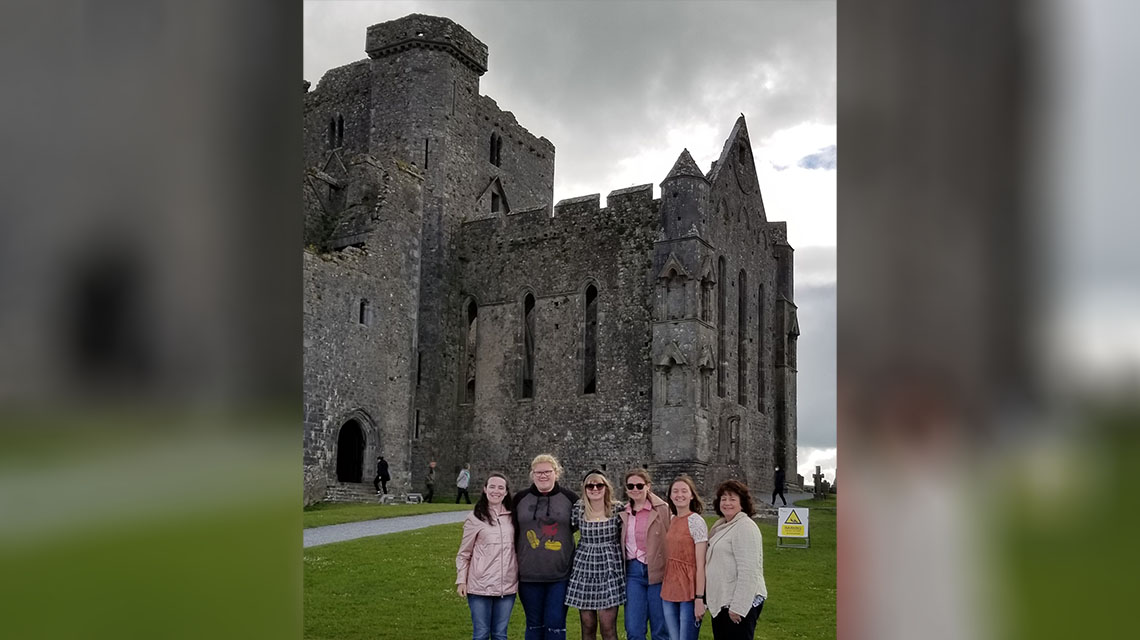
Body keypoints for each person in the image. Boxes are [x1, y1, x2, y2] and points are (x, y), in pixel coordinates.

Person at [513, 454, 578, 640]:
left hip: (560, 575)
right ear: (532, 474)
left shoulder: (570, 498)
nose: (543, 476)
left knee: (555, 624)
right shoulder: (520, 499)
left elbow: (584, 523)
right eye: (538, 472)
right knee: (534, 625)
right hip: (528, 575)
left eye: (547, 472)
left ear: (556, 473)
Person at [456, 472, 518, 640]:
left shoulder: (513, 517)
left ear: (506, 492)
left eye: (500, 488)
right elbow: (464, 553)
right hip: (480, 586)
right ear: (485, 489)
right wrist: (461, 580)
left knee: (500, 634)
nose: (496, 491)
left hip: (507, 586)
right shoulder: (475, 518)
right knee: (481, 634)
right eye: (492, 487)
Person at [565, 470, 625, 640]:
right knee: (588, 624)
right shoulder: (579, 509)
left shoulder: (617, 509)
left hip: (609, 569)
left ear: (606, 487)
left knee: (608, 626)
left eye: (599, 485)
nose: (595, 488)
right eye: (590, 485)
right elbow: (565, 530)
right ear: (584, 489)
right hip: (584, 568)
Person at [705, 480, 767, 640]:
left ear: (742, 503)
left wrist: (738, 607)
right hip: (723, 602)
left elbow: (749, 571)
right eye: (723, 499)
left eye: (732, 499)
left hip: (738, 604)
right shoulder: (722, 525)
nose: (727, 503)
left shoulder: (745, 527)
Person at [618, 468, 671, 640]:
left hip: (657, 571)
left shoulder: (662, 509)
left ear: (648, 486)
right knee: (634, 629)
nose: (635, 489)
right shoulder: (622, 512)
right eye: (630, 486)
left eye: (639, 485)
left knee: (660, 628)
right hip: (633, 573)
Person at [661, 475, 708, 640]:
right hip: (669, 587)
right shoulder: (672, 519)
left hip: (689, 590)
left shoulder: (696, 521)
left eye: (684, 491)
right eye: (675, 491)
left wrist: (699, 598)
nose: (679, 495)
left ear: (692, 495)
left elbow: (700, 564)